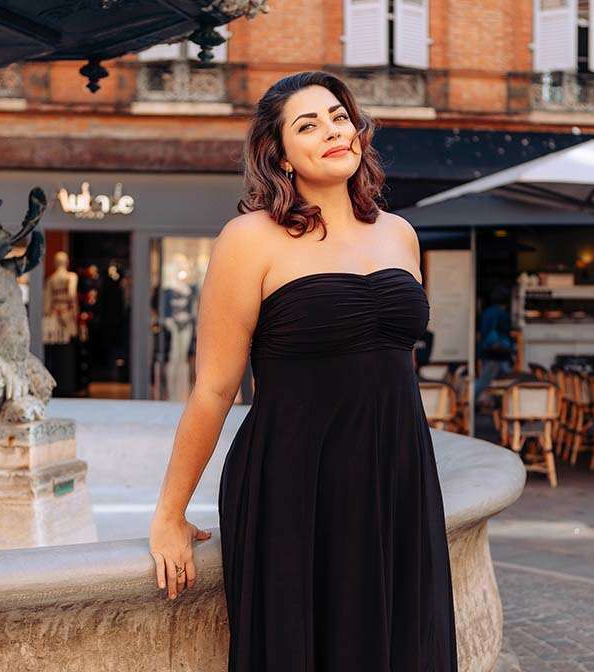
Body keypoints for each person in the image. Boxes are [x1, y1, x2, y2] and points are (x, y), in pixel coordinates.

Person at [148, 71, 459, 672]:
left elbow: (393, 361)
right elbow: (214, 388)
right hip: (296, 479)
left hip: (396, 471)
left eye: (339, 116)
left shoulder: (400, 234)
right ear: (281, 155)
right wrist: (169, 514)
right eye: (308, 124)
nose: (332, 131)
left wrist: (401, 459)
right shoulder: (250, 240)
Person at [475, 284, 514, 404]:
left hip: (487, 351)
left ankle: (495, 404)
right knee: (487, 381)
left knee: (489, 381)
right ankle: (469, 401)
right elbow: (506, 333)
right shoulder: (503, 314)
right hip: (498, 354)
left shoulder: (487, 312)